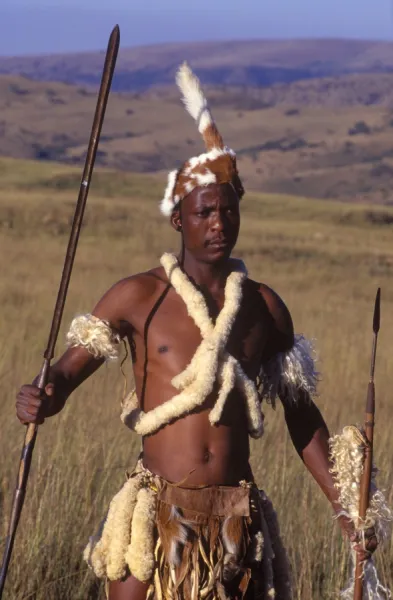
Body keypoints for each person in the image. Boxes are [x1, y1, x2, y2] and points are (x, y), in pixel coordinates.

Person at [16, 63, 378, 600]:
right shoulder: (137, 296)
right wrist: (43, 397)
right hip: (155, 517)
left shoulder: (264, 309)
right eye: (204, 212)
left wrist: (346, 506)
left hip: (237, 521)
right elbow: (68, 372)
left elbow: (303, 418)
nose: (218, 224)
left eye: (227, 211)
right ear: (178, 219)